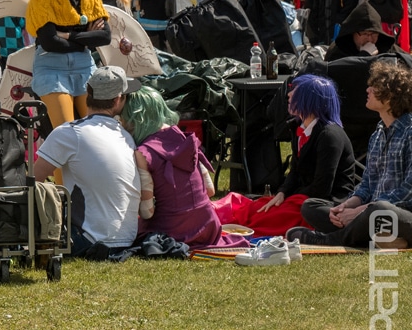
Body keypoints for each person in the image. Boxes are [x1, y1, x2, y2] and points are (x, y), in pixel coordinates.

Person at [289, 60, 412, 249]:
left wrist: (362, 210)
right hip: (371, 214)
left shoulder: (409, 132)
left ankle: (333, 239)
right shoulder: (378, 134)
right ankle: (380, 237)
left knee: (380, 210)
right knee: (311, 206)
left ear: (391, 95)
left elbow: (407, 192)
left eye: (374, 86)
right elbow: (367, 185)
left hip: (401, 213)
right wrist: (347, 206)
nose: (367, 90)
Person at [216, 75, 358, 237]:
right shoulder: (300, 128)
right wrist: (282, 193)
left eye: (295, 92)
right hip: (303, 195)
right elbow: (295, 170)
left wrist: (290, 197)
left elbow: (322, 187)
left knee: (266, 218)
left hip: (323, 202)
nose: (289, 95)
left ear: (310, 99)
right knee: (253, 206)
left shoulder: (329, 135)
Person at [33, 66, 141, 257]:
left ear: (88, 92)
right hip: (128, 237)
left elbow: (32, 180)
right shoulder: (126, 136)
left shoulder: (70, 133)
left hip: (88, 240)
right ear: (117, 100)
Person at [121, 85, 243, 249]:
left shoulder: (143, 153)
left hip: (172, 231)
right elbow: (210, 190)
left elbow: (147, 211)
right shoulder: (187, 139)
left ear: (136, 119)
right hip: (208, 227)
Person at [25, 0, 111, 140]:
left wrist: (68, 36)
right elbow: (50, 43)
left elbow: (105, 36)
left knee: (95, 136)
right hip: (51, 69)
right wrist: (86, 40)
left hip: (84, 66)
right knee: (66, 137)